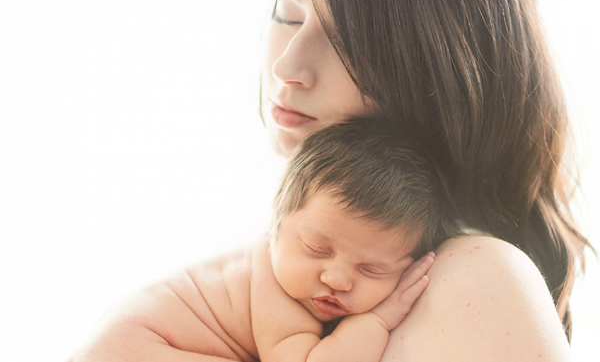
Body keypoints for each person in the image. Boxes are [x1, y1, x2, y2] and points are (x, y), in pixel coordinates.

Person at [260, 0, 591, 360]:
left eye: (353, 44)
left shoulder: (478, 282)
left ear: (441, 75)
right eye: (286, 13)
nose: (287, 67)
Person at [70, 117, 449, 362]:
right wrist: (378, 320)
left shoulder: (291, 273)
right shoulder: (273, 290)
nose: (337, 279)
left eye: (371, 269)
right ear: (276, 225)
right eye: (318, 249)